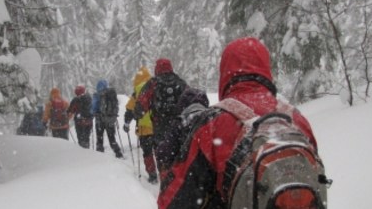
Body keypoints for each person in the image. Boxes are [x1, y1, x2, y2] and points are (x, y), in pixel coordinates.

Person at [157, 37, 318, 209]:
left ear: (225, 72)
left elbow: (176, 200)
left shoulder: (213, 123)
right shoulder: (296, 119)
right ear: (265, 69)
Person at [135, 58, 187, 176]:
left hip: (160, 126)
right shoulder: (180, 82)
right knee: (179, 153)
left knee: (163, 155)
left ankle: (166, 182)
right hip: (179, 125)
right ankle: (179, 179)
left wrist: (138, 114)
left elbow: (141, 105)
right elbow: (190, 100)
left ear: (157, 68)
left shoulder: (153, 83)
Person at [155, 87, 209, 181]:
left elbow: (164, 152)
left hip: (186, 177)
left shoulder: (180, 123)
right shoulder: (213, 119)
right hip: (210, 178)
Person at [123, 67, 158, 184]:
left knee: (147, 153)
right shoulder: (156, 87)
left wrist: (126, 123)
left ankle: (152, 175)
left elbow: (129, 109)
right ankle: (165, 173)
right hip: (158, 127)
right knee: (160, 151)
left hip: (144, 129)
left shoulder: (137, 91)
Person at [92, 79, 123, 158]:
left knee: (99, 140)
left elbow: (93, 108)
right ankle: (118, 153)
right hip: (110, 120)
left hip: (99, 120)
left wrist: (94, 113)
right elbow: (116, 104)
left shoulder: (97, 95)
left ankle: (100, 156)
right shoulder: (111, 93)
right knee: (112, 139)